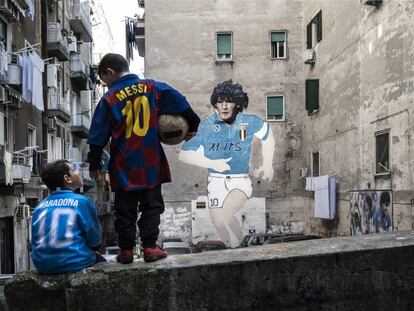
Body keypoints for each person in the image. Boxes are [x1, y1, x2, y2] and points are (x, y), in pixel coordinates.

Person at [87, 53, 200, 263]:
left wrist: (94, 162)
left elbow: (97, 133)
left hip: (123, 164)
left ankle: (126, 251)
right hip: (150, 160)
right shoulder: (153, 87)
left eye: (105, 80)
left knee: (124, 210)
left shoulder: (110, 98)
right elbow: (180, 102)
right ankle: (150, 247)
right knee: (152, 207)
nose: (106, 85)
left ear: (110, 72)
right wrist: (193, 125)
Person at [179, 80, 274, 247]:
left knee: (227, 212)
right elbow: (185, 153)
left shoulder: (249, 121)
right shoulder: (207, 125)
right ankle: (231, 248)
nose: (223, 106)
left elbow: (268, 136)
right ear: (215, 104)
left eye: (228, 101)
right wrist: (213, 163)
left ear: (236, 104)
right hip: (215, 180)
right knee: (218, 221)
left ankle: (241, 247)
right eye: (220, 101)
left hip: (240, 180)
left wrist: (267, 165)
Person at [31, 160, 103, 274]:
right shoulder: (82, 201)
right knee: (102, 262)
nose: (78, 172)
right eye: (74, 169)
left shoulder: (39, 207)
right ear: (67, 179)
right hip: (74, 262)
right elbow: (95, 241)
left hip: (42, 265)